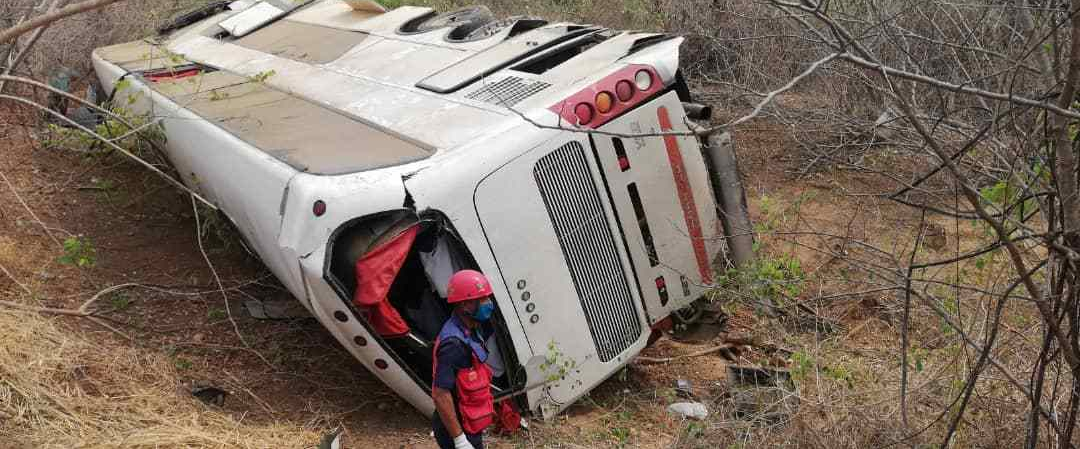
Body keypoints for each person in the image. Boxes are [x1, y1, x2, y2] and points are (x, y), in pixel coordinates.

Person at [431, 269, 497, 449]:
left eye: (487, 297)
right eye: (482, 299)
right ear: (465, 305)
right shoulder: (453, 344)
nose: (488, 303)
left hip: (469, 420)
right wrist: (459, 440)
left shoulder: (471, 328)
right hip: (458, 428)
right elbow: (440, 394)